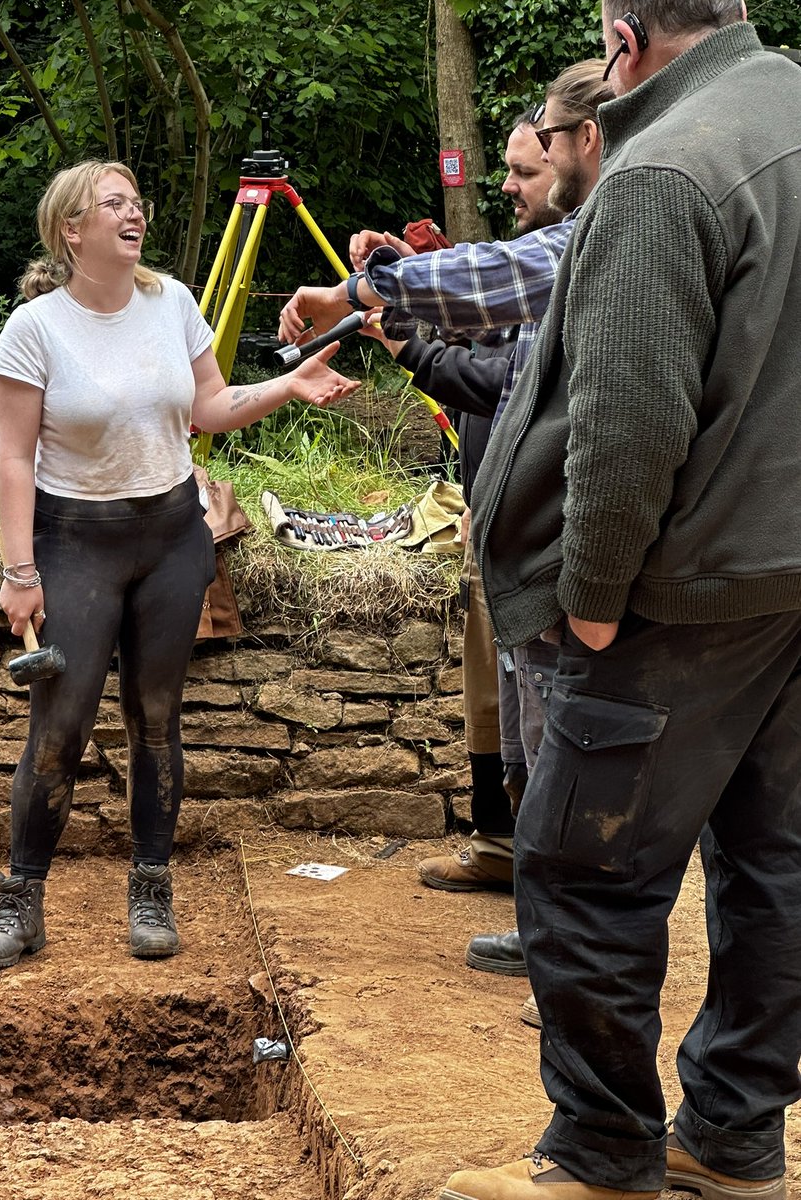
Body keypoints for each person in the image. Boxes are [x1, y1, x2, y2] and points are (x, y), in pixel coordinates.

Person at [451, 4, 801, 1198]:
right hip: (783, 576)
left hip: (680, 597)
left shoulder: (662, 169)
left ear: (624, 32)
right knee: (776, 866)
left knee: (582, 870)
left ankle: (605, 1159)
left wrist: (593, 603)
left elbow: (628, 422)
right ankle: (735, 1139)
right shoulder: (791, 112)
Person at [0, 159, 358, 974]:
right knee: (61, 726)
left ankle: (151, 888)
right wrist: (19, 570)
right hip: (75, 540)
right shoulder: (35, 328)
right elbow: (10, 460)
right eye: (113, 204)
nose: (132, 213)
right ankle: (21, 900)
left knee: (156, 718)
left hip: (174, 535)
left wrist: (288, 385)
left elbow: (209, 408)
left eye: (136, 202)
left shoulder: (171, 302)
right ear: (72, 229)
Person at [280, 61, 612, 1000]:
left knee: (560, 752)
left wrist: (377, 301)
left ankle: (571, 964)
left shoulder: (599, 244)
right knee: (523, 737)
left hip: (559, 545)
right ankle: (546, 925)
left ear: (583, 144)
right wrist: (400, 297)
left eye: (534, 156)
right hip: (517, 534)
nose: (516, 180)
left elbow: (496, 378)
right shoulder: (575, 241)